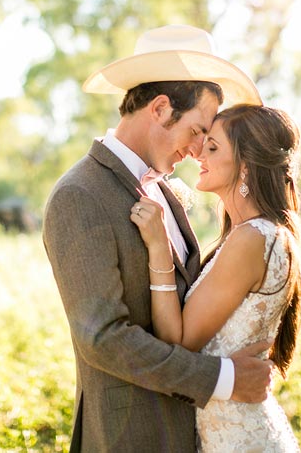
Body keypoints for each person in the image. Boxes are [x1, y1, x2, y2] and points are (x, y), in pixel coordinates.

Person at [42, 25, 275, 452]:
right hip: (133, 438)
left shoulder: (166, 192)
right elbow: (103, 339)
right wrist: (222, 379)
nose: (197, 150)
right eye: (196, 131)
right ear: (161, 108)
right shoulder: (80, 195)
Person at [131, 104, 301, 452]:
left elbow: (178, 343)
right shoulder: (259, 234)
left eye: (212, 148)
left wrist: (158, 248)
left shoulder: (252, 239)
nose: (198, 155)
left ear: (245, 165)